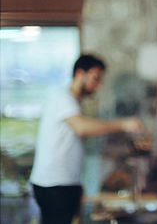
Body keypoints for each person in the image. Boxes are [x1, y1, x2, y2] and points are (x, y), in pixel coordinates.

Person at [29, 54, 144, 224]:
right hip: (53, 184)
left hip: (66, 182)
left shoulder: (74, 101)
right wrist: (123, 124)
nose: (97, 84)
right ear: (80, 73)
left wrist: (77, 183)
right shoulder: (62, 98)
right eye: (95, 78)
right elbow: (82, 128)